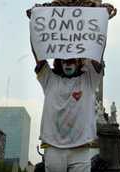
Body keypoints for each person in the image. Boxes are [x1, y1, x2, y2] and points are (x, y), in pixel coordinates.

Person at [31, 41, 103, 172]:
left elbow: (98, 55)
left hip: (81, 148)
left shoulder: (88, 80)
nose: (68, 63)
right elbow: (38, 52)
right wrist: (35, 25)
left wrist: (97, 28)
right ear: (59, 62)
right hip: (53, 147)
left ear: (78, 61)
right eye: (64, 60)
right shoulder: (49, 79)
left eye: (71, 60)